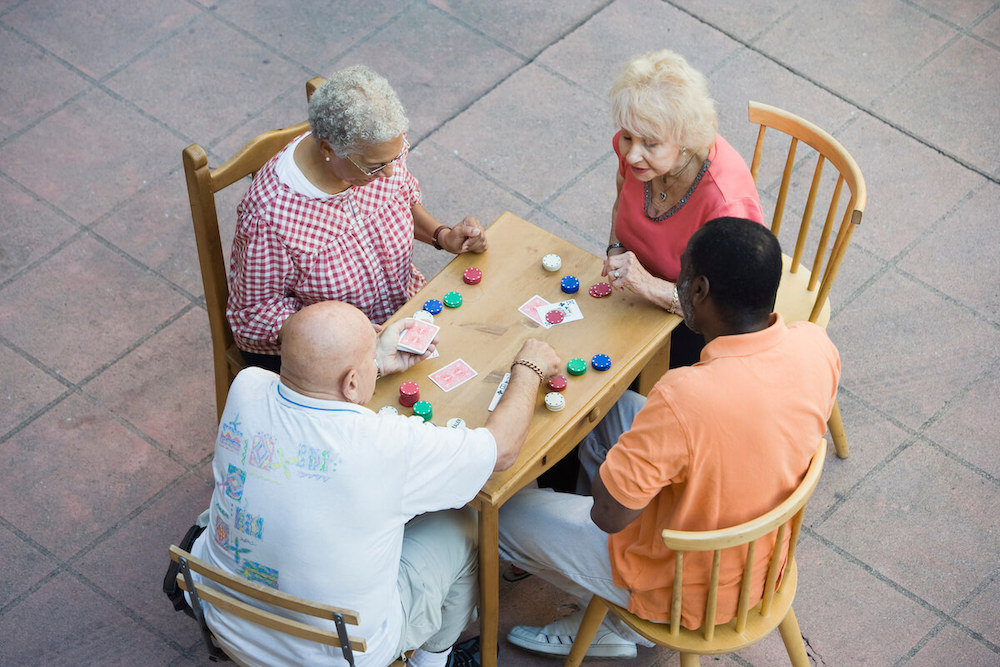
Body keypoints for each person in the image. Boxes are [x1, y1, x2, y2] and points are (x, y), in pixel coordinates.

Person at [498, 218, 840, 660]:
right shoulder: (816, 345)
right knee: (609, 413)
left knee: (504, 514)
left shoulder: (684, 397)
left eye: (681, 273)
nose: (674, 282)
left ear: (698, 290)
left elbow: (608, 517)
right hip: (763, 556)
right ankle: (603, 603)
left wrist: (627, 469)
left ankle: (619, 622)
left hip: (687, 588)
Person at [190, 301, 561, 667]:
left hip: (223, 616)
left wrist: (376, 362)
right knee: (462, 521)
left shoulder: (246, 385)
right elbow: (501, 450)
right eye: (368, 360)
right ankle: (433, 661)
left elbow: (314, 384)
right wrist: (528, 368)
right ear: (351, 382)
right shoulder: (386, 445)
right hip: (338, 655)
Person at [227, 65, 488, 372]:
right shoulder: (268, 218)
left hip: (404, 309)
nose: (390, 172)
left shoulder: (378, 150)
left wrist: (443, 236)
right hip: (334, 358)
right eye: (375, 166)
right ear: (328, 149)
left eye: (395, 156)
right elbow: (255, 316)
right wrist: (344, 334)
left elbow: (401, 201)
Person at [603, 49, 765, 369]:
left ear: (685, 141)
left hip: (696, 328)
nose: (632, 154)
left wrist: (650, 287)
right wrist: (615, 247)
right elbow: (622, 193)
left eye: (650, 143)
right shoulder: (638, 155)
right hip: (636, 296)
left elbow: (727, 311)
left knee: (613, 380)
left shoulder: (725, 205)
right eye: (627, 137)